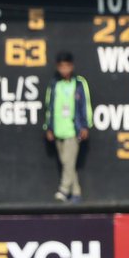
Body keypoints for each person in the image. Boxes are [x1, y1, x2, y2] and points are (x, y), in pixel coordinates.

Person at [43, 51, 93, 202]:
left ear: (72, 66)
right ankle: (76, 193)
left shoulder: (79, 83)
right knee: (67, 163)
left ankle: (64, 190)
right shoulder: (54, 84)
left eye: (67, 66)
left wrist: (85, 125)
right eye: (61, 66)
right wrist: (49, 127)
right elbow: (49, 106)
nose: (64, 69)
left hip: (73, 130)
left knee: (68, 161)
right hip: (59, 129)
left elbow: (86, 105)